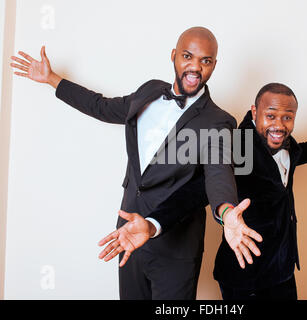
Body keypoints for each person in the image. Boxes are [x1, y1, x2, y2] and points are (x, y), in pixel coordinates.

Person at [10, 27, 262, 300]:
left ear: (214, 65)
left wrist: (226, 212)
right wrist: (52, 80)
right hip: (128, 230)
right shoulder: (151, 91)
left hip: (175, 247)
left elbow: (218, 172)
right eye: (188, 56)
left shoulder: (218, 120)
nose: (195, 67)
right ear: (174, 55)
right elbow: (103, 107)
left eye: (206, 60)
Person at [142, 82, 307, 300]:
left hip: (282, 268)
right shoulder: (238, 147)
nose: (279, 125)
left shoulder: (283, 142)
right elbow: (196, 191)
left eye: (288, 117)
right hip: (245, 275)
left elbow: (297, 155)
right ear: (254, 112)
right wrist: (153, 223)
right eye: (271, 115)